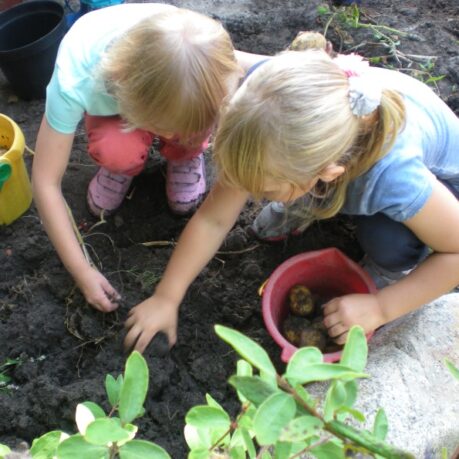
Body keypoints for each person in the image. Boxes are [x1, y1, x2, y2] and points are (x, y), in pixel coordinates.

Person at [124, 48, 459, 353]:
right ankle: (300, 200)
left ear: (327, 173)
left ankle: (388, 268)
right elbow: (213, 219)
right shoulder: (266, 105)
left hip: (443, 192)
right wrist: (167, 296)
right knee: (297, 183)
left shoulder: (392, 177)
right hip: (327, 166)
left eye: (265, 190)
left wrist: (382, 307)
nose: (249, 195)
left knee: (389, 241)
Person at [32, 3, 264, 313]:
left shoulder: (207, 53)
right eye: (169, 128)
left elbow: (271, 71)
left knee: (193, 122)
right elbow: (45, 182)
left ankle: (184, 154)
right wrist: (82, 270)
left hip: (167, 86)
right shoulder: (76, 79)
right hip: (115, 97)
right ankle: (124, 163)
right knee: (118, 148)